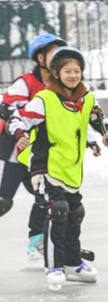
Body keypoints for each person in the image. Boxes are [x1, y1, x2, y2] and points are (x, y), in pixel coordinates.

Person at [7, 46, 108, 291]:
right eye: (67, 71)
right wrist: (21, 134)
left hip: (70, 168)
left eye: (77, 70)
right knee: (58, 210)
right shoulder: (44, 100)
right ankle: (54, 266)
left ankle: (73, 262)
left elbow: (98, 118)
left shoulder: (85, 98)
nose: (73, 75)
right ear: (56, 73)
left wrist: (106, 132)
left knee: (75, 213)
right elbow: (18, 118)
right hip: (45, 166)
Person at [0, 33, 66, 266]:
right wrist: (20, 131)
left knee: (44, 198)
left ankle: (35, 242)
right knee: (4, 201)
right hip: (18, 151)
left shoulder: (60, 84)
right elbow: (6, 107)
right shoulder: (26, 82)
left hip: (42, 154)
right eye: (53, 53)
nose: (59, 58)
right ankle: (36, 242)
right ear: (40, 57)